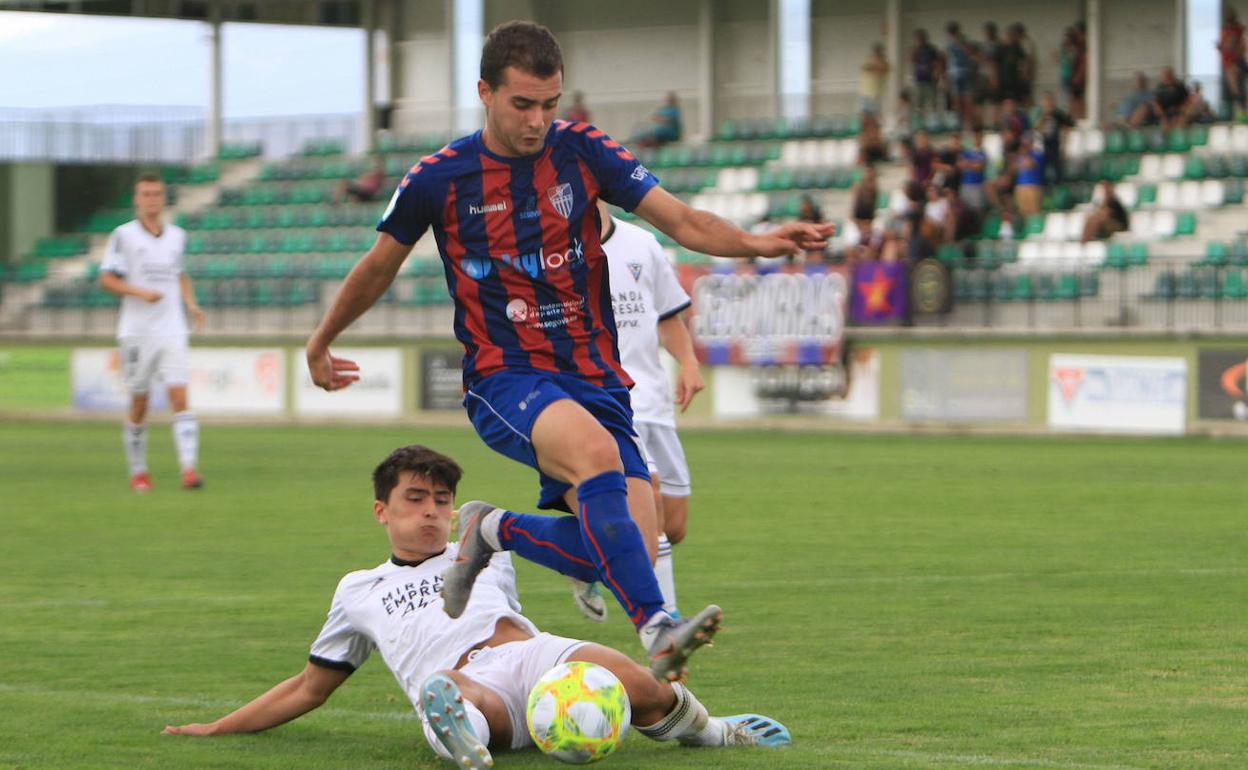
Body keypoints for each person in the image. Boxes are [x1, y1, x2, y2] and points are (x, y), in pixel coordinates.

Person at [304, 20, 832, 684]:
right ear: (485, 93)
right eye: (522, 104)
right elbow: (378, 266)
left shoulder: (582, 153)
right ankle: (658, 630)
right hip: (507, 378)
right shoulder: (439, 179)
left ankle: (493, 530)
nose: (537, 121)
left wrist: (757, 243)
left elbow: (683, 220)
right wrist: (322, 341)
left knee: (619, 551)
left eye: (549, 104)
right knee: (597, 460)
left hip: (597, 380)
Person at [160, 445, 790, 770]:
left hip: (529, 654)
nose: (432, 510)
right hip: (467, 680)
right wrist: (218, 728)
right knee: (451, 689)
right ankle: (459, 732)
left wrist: (589, 576)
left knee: (631, 678)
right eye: (415, 499)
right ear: (382, 510)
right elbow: (308, 687)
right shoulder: (358, 589)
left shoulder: (482, 537)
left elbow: (574, 542)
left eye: (441, 499)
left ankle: (713, 732)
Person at [573, 200, 704, 622]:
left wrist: (688, 362)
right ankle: (668, 622)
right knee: (653, 519)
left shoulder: (643, 245)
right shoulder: (557, 250)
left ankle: (580, 556)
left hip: (655, 402)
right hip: (606, 402)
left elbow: (667, 316)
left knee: (676, 524)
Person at [98, 173, 205, 492]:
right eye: (146, 194)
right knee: (140, 403)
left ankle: (189, 470)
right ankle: (139, 471)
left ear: (163, 198)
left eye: (157, 193)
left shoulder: (177, 236)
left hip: (172, 328)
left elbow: (180, 274)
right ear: (137, 199)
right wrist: (140, 293)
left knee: (179, 395)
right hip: (137, 332)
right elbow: (107, 279)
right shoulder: (123, 236)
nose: (152, 199)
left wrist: (191, 303)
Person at [1035, 92, 1075, 185]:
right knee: (1042, 171)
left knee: (1057, 170)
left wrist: (1064, 146)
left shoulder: (1058, 114)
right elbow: (1036, 128)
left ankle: (1058, 188)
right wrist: (1044, 117)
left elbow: (1068, 126)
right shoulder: (1039, 113)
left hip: (1055, 145)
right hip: (1043, 146)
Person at [1220, 7, 1246, 120]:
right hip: (1228, 64)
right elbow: (1224, 47)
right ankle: (1238, 112)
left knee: (1238, 89)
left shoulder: (1238, 29)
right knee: (1233, 91)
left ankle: (1242, 111)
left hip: (1236, 63)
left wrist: (1237, 57)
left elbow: (1241, 45)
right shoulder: (1224, 30)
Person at [860, 42, 890, 115]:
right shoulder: (869, 59)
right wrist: (874, 68)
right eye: (875, 51)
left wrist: (874, 68)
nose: (876, 54)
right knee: (865, 114)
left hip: (876, 93)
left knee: (876, 114)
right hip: (866, 92)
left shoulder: (884, 62)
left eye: (878, 52)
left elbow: (883, 70)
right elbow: (865, 68)